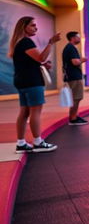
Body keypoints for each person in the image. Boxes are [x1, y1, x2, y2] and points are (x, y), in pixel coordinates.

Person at [9, 16, 60, 153]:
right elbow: (41, 57)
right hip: (32, 81)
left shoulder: (19, 43)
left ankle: (21, 143)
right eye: (32, 25)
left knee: (24, 112)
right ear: (23, 27)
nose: (35, 28)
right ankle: (38, 142)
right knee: (35, 111)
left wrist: (41, 64)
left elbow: (33, 61)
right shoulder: (26, 42)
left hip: (22, 81)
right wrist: (51, 42)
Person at [62, 31, 88, 125]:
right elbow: (75, 62)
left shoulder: (70, 47)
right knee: (76, 97)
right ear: (72, 38)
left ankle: (74, 115)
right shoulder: (71, 48)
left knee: (76, 97)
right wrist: (83, 60)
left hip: (72, 76)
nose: (79, 38)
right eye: (78, 36)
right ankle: (73, 118)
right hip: (74, 76)